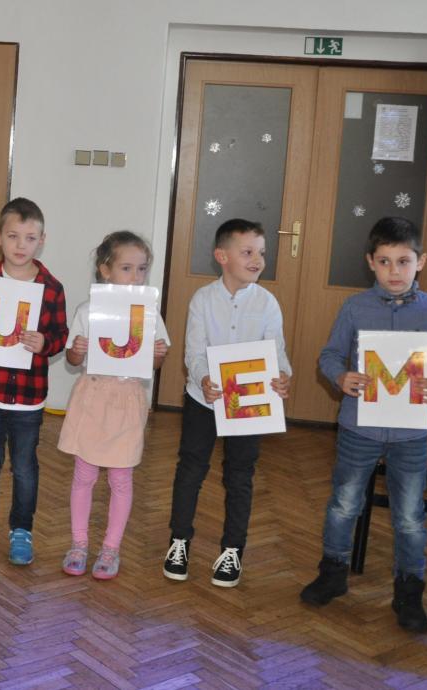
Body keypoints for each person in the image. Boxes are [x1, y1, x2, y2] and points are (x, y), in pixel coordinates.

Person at [300, 217, 427, 633]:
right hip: (359, 428)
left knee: (410, 515)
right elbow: (330, 356)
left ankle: (409, 590)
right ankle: (333, 572)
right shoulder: (355, 307)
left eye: (403, 261)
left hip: (410, 433)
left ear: (421, 261)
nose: (394, 271)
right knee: (344, 503)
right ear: (371, 262)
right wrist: (341, 377)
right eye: (384, 261)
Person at [163, 218, 291, 588]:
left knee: (240, 474)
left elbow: (277, 352)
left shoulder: (267, 303)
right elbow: (194, 351)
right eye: (247, 252)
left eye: (261, 252)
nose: (257, 259)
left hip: (248, 405)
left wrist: (283, 375)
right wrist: (204, 378)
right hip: (202, 400)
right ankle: (179, 541)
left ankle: (233, 549)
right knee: (191, 468)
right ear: (222, 256)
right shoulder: (202, 299)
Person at [0, 198, 68, 565]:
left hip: (28, 397)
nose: (21, 245)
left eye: (30, 238)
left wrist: (45, 343)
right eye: (13, 236)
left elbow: (61, 337)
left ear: (42, 240)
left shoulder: (52, 288)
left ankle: (22, 529)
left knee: (24, 467)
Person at [58, 231, 169, 579]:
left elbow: (154, 363)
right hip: (92, 397)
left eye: (142, 269)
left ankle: (111, 548)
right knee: (84, 475)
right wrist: (77, 349)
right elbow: (73, 359)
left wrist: (158, 354)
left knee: (121, 478)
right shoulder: (88, 310)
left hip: (126, 399)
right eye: (126, 268)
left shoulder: (148, 313)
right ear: (105, 270)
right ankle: (78, 543)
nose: (136, 276)